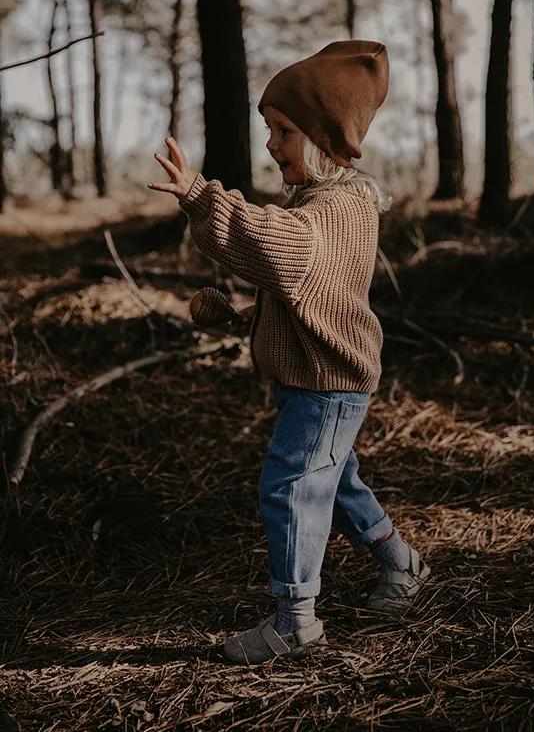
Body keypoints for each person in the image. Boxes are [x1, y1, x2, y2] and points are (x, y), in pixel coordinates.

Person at [148, 41, 430, 665]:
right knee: (336, 479)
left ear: (327, 139)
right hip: (318, 372)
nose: (272, 145)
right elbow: (313, 290)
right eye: (269, 130)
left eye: (285, 131)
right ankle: (402, 563)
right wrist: (247, 314)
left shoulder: (328, 210)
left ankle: (296, 621)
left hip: (328, 380)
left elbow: (282, 248)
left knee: (291, 485)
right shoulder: (329, 202)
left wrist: (202, 196)